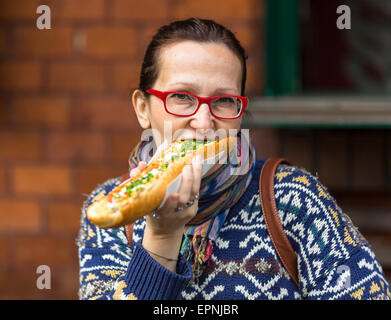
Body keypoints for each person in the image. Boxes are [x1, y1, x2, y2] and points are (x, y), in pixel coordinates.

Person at [77, 17, 391, 300]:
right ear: (142, 108)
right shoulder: (111, 211)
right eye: (182, 98)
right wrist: (162, 236)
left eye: (224, 101)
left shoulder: (294, 198)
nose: (203, 122)